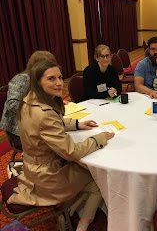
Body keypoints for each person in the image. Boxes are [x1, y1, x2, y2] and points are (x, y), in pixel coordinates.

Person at [7, 60, 115, 231]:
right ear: (37, 81)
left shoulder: (28, 101)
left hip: (32, 168)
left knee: (84, 170)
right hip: (46, 177)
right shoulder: (44, 114)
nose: (59, 83)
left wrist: (77, 124)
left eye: (60, 77)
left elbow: (48, 125)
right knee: (98, 179)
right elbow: (71, 152)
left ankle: (69, 210)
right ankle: (82, 225)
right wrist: (98, 139)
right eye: (51, 78)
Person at [0, 51, 57, 147]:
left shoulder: (44, 80)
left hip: (38, 124)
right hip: (19, 129)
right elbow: (12, 104)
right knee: (55, 142)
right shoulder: (21, 79)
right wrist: (37, 111)